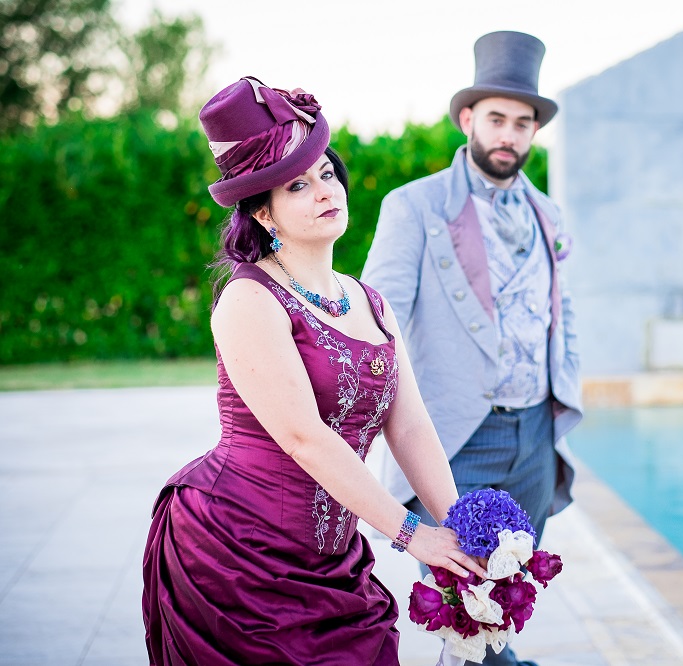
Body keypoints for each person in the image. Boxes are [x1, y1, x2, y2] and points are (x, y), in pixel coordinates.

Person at [141, 76, 486, 666]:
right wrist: (411, 536)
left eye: (327, 173)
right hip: (237, 553)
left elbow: (410, 428)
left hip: (334, 557)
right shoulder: (250, 299)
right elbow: (305, 437)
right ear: (262, 212)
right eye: (297, 185)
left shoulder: (369, 301)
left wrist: (461, 533)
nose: (325, 190)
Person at [362, 31, 583, 666]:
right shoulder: (414, 207)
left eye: (522, 122)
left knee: (505, 598)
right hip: (458, 434)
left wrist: (564, 393)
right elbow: (380, 323)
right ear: (467, 120)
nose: (509, 134)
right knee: (461, 602)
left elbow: (564, 317)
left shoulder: (550, 217)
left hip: (535, 436)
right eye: (496, 119)